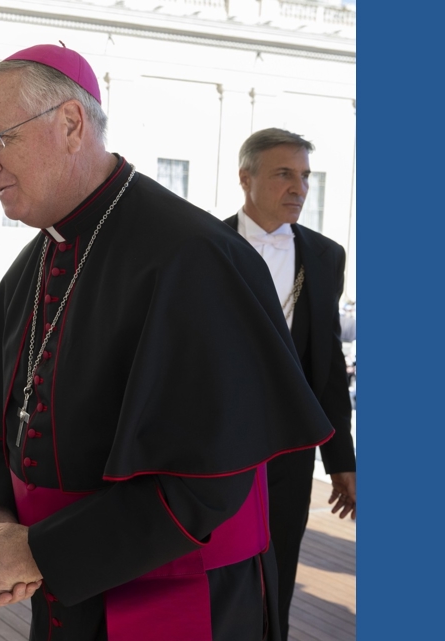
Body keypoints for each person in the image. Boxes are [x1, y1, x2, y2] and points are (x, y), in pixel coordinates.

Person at [0, 45, 332, 641]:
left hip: (180, 599)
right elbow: (9, 426)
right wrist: (0, 515)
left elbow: (209, 483)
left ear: (72, 124)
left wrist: (41, 553)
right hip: (63, 591)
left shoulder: (195, 257)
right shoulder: (34, 261)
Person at [225, 128, 357, 641]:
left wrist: (341, 460)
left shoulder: (326, 256)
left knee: (278, 567)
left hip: (291, 448)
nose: (299, 187)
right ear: (246, 178)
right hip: (217, 444)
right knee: (215, 568)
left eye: (304, 176)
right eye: (284, 174)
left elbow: (325, 366)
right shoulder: (202, 246)